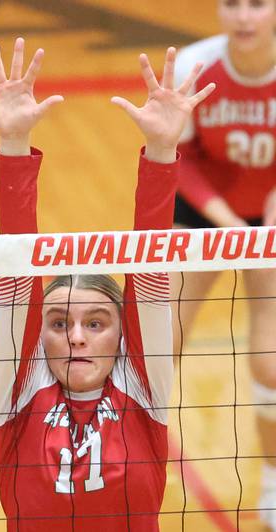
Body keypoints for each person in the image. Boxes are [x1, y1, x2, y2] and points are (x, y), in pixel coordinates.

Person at [0, 38, 215, 530]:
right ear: (39, 336)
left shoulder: (142, 387)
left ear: (123, 334)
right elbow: (18, 268)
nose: (77, 336)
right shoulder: (20, 393)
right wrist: (12, 144)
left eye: (96, 322)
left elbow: (149, 267)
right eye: (59, 323)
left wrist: (163, 150)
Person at [170, 1, 276, 526]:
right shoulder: (193, 66)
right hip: (204, 207)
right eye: (232, 2)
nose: (244, 16)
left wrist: (264, 231)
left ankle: (275, 485)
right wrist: (231, 228)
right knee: (156, 341)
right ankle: (123, 469)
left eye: (257, 2)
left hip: (272, 209)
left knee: (272, 358)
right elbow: (180, 159)